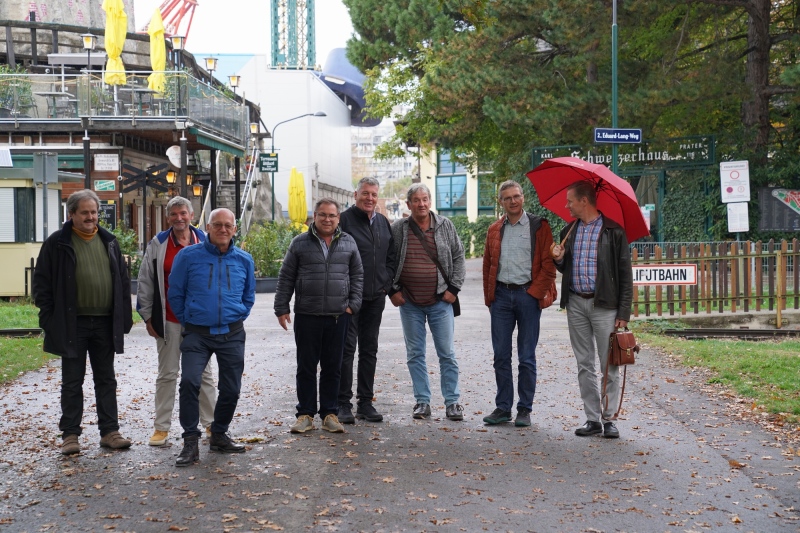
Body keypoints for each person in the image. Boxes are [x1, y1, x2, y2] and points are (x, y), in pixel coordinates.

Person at [33, 189, 133, 455]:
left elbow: (122, 281)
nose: (91, 217)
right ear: (72, 214)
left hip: (104, 323)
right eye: (85, 212)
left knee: (106, 379)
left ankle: (110, 432)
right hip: (71, 323)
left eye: (94, 212)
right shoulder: (57, 243)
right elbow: (42, 284)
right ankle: (70, 435)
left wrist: (124, 318)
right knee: (72, 381)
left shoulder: (109, 241)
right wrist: (49, 319)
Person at [168, 208, 255, 466]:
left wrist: (237, 313)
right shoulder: (188, 257)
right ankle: (190, 441)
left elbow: (249, 296)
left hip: (232, 333)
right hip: (198, 333)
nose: (223, 230)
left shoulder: (244, 259)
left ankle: (219, 434)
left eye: (228, 225)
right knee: (190, 382)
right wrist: (190, 318)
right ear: (208, 226)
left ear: (234, 229)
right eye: (217, 225)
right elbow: (176, 293)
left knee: (231, 388)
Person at [551, 180, 633, 439]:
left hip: (605, 307)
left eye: (570, 201)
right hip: (576, 303)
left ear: (584, 201)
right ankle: (592, 419)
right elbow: (566, 269)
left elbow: (625, 276)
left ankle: (608, 419)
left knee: (609, 363)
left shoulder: (614, 232)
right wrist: (559, 258)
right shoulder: (570, 230)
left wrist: (623, 313)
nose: (567, 206)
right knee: (584, 363)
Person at [275, 198, 364, 434]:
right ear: (314, 216)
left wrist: (352, 305)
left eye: (332, 215)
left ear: (338, 218)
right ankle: (305, 414)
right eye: (322, 215)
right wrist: (281, 307)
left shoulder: (348, 243)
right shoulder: (299, 243)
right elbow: (286, 277)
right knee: (306, 366)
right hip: (307, 315)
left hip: (338, 316)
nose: (327, 219)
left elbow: (358, 277)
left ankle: (329, 414)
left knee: (333, 367)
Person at [137, 196, 217, 447]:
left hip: (199, 321)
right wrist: (148, 315)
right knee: (167, 374)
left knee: (204, 374)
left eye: (183, 213)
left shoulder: (206, 240)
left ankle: (212, 424)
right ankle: (161, 428)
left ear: (191, 215)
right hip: (168, 318)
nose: (179, 218)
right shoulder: (159, 243)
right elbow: (146, 280)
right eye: (174, 214)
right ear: (168, 217)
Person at [482, 180, 557, 427]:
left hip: (528, 296)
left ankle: (524, 409)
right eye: (507, 198)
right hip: (501, 297)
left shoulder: (539, 226)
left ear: (523, 198)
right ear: (501, 202)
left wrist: (535, 293)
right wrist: (490, 298)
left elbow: (548, 265)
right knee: (501, 356)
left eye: (516, 196)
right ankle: (503, 407)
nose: (513, 201)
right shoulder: (494, 229)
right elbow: (488, 266)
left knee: (526, 357)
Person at [390, 183, 466, 421]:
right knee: (415, 354)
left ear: (430, 202)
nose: (421, 204)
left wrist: (453, 288)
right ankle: (422, 401)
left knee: (447, 354)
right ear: (408, 204)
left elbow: (459, 256)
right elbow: (388, 261)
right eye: (416, 200)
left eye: (425, 199)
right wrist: (392, 290)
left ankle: (452, 402)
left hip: (440, 301)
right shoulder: (399, 228)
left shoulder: (445, 225)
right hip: (409, 302)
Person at [337, 177, 396, 424]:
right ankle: (342, 404)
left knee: (369, 349)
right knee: (346, 349)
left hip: (375, 296)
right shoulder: (343, 221)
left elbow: (391, 255)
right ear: (355, 194)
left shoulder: (383, 222)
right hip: (350, 297)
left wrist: (386, 282)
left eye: (373, 194)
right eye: (365, 194)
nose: (369, 198)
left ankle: (365, 403)